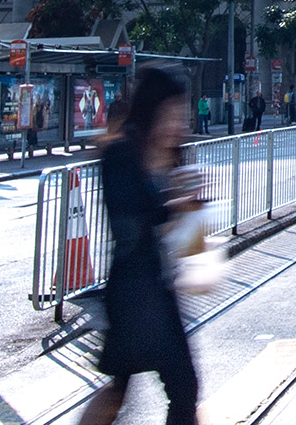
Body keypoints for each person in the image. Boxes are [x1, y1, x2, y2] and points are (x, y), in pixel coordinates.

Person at [81, 65, 203, 425]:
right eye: (171, 115)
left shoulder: (172, 158)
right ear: (152, 110)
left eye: (182, 116)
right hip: (132, 292)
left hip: (160, 292)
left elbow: (187, 243)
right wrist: (172, 205)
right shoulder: (121, 155)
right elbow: (126, 225)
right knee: (129, 388)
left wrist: (193, 213)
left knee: (171, 388)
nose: (178, 125)